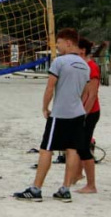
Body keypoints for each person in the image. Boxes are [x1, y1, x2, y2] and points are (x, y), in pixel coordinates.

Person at [14, 28, 89, 203]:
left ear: (68, 43)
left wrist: (45, 107)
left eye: (59, 43)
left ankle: (36, 189)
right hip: (77, 113)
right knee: (72, 149)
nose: (58, 47)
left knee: (46, 148)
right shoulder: (85, 65)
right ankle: (65, 189)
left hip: (60, 113)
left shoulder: (60, 62)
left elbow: (50, 87)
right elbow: (84, 92)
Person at [73, 37, 101, 194]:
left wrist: (83, 115)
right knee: (78, 144)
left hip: (91, 112)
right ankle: (77, 174)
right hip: (83, 110)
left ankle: (91, 186)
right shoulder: (83, 66)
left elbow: (92, 95)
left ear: (82, 51)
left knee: (83, 147)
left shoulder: (92, 67)